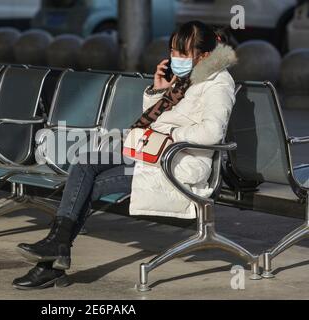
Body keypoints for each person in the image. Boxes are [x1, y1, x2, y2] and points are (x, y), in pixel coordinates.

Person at [12, 20, 238, 290]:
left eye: (182, 54)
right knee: (85, 163)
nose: (175, 59)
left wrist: (171, 135)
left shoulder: (218, 83)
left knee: (88, 187)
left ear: (204, 56)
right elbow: (151, 120)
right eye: (173, 52)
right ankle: (57, 246)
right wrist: (158, 89)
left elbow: (212, 132)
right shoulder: (187, 78)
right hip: (151, 152)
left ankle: (49, 262)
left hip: (178, 163)